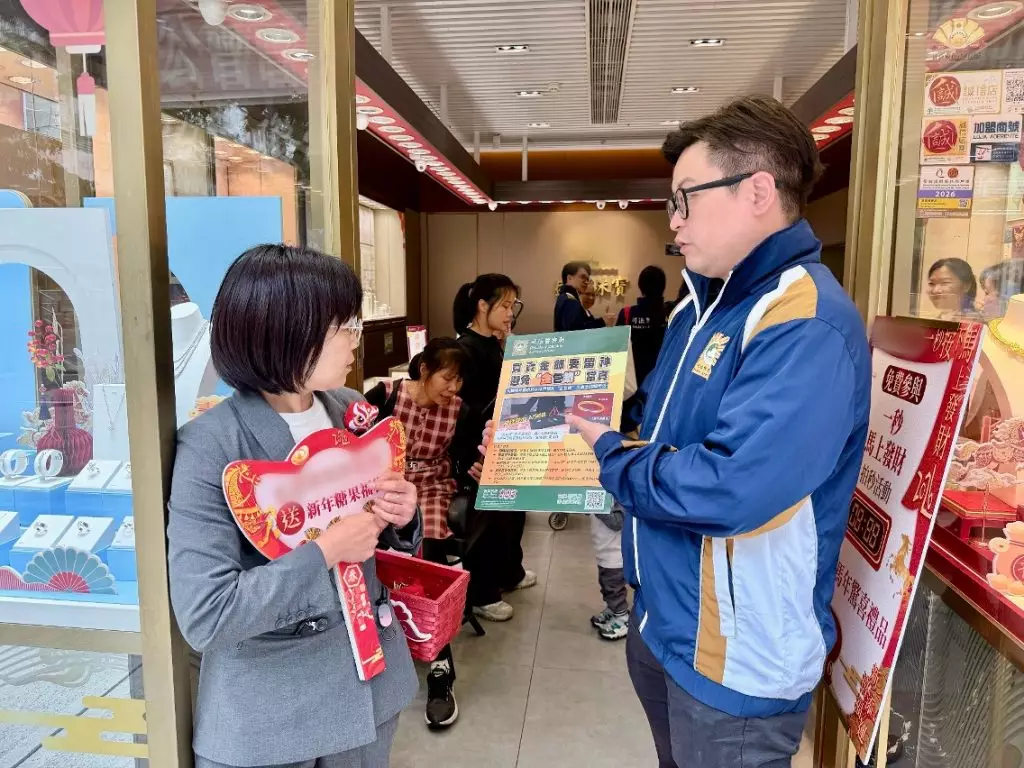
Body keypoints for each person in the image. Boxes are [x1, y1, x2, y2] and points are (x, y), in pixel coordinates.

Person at [566, 96, 872, 767]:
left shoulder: (803, 320)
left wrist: (610, 455)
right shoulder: (698, 310)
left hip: (739, 654)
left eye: (686, 199)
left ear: (757, 191)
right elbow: (651, 431)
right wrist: (539, 448)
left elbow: (729, 487)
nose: (673, 221)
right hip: (665, 619)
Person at [167, 244, 421, 768]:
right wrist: (324, 551)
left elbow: (376, 538)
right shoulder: (213, 444)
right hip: (271, 716)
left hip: (370, 687)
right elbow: (207, 614)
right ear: (286, 332)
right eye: (344, 326)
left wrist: (401, 513)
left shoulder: (350, 408)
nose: (356, 338)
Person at [366, 338, 479, 732]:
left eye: (460, 381)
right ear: (425, 370)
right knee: (362, 554)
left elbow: (469, 457)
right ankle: (370, 649)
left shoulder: (460, 412)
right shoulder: (385, 396)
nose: (454, 388)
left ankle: (440, 667)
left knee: (425, 556)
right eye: (448, 378)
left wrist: (478, 467)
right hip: (382, 488)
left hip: (432, 489)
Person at [453, 274, 536, 622]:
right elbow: (459, 413)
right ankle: (482, 594)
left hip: (505, 444)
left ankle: (509, 572)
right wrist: (468, 459)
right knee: (486, 523)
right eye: (504, 305)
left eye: (513, 305)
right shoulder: (465, 349)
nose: (510, 313)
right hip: (480, 452)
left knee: (511, 515)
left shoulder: (496, 344)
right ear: (482, 306)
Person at [617, 265, 669, 390]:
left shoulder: (627, 313)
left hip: (630, 382)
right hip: (660, 381)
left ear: (640, 286)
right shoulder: (670, 315)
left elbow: (618, 350)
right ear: (662, 287)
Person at [555, 261, 614, 331]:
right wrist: (602, 321)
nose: (586, 282)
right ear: (569, 278)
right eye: (583, 277)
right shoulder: (569, 299)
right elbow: (576, 331)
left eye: (587, 279)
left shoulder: (567, 298)